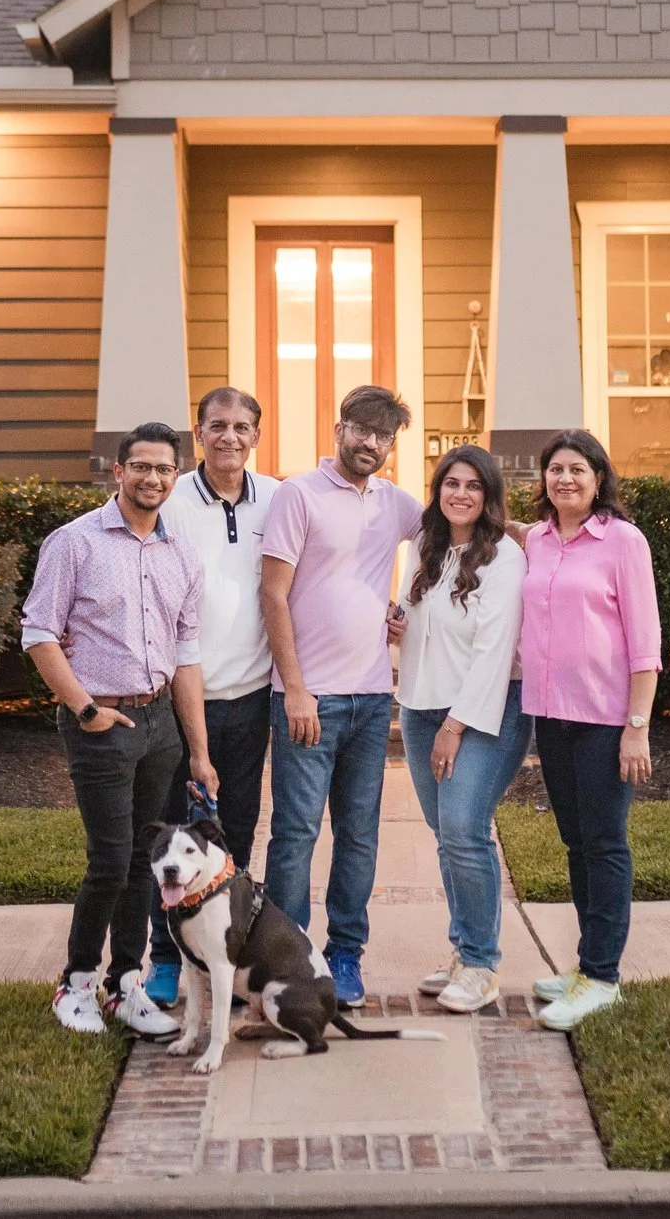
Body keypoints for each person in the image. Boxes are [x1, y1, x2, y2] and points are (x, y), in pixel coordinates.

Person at [22, 421, 220, 1037]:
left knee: (144, 861)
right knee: (110, 861)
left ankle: (126, 985)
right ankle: (75, 984)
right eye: (141, 467)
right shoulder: (74, 543)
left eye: (164, 469)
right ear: (119, 471)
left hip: (160, 720)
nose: (153, 479)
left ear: (176, 476)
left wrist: (199, 752)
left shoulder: (180, 553)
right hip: (100, 720)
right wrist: (85, 710)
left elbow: (186, 653)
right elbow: (39, 634)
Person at [259, 382, 422, 1008]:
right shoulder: (298, 495)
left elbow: (459, 528)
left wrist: (406, 612)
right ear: (339, 428)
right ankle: (289, 957)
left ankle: (346, 957)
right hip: (310, 699)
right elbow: (274, 594)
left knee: (359, 835)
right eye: (363, 430)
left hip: (373, 697)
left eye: (384, 436)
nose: (372, 444)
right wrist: (294, 690)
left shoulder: (396, 504)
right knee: (296, 833)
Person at [516, 428, 659, 1031]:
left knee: (604, 846)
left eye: (577, 469)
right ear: (544, 480)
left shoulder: (623, 541)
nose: (565, 479)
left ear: (599, 478)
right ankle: (585, 965)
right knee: (576, 845)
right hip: (551, 715)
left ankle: (602, 977)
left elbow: (646, 643)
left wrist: (637, 727)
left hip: (605, 721)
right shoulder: (536, 541)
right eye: (555, 470)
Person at [142, 385, 276, 1008]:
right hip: (180, 700)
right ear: (198, 433)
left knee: (233, 836)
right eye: (216, 425)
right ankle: (167, 959)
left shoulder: (277, 498)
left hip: (250, 699)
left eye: (241, 426)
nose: (229, 436)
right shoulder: (171, 502)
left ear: (256, 434)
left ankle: (221, 953)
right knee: (171, 842)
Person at [390, 443, 528, 1014]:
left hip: (486, 712)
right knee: (447, 832)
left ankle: (480, 964)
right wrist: (395, 625)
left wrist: (455, 726)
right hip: (420, 707)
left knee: (466, 830)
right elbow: (411, 618)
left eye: (473, 485)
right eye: (451, 483)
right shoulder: (425, 546)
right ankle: (463, 949)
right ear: (438, 489)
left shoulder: (504, 559)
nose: (461, 494)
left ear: (489, 495)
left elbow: (495, 654)